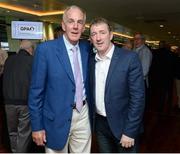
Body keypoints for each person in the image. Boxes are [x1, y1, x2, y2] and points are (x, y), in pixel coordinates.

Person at [28, 5, 92, 153]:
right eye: (71, 21)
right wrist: (37, 126)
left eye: (80, 22)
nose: (75, 26)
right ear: (63, 25)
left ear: (83, 27)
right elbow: (36, 92)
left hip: (83, 115)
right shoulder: (45, 50)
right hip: (55, 119)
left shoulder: (87, 49)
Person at [89, 17, 145, 153]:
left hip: (123, 125)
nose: (98, 38)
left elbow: (138, 98)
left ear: (111, 35)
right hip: (100, 125)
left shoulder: (129, 58)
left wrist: (130, 131)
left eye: (102, 32)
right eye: (94, 34)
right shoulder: (90, 60)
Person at [3, 40, 34, 152]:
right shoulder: (32, 60)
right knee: (23, 133)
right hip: (24, 102)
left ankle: (14, 151)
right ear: (30, 49)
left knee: (12, 132)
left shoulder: (8, 60)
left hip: (8, 103)